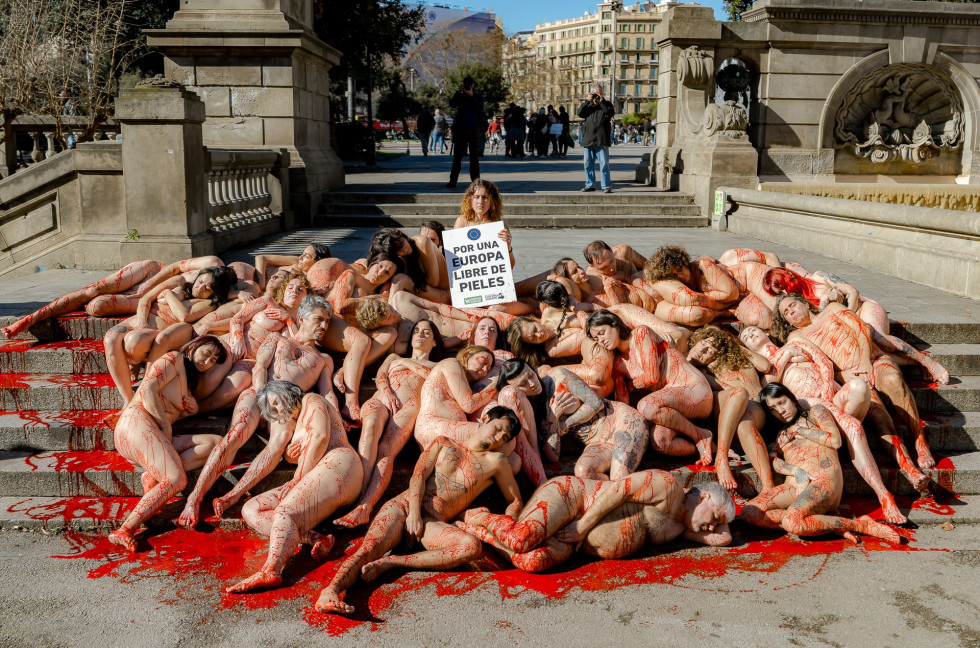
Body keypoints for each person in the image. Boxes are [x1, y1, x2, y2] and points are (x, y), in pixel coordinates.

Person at [314, 406, 524, 615]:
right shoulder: (443, 442)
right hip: (404, 506)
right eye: (498, 428)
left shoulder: (496, 462)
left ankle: (393, 562)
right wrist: (413, 513)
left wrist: (507, 525)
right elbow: (419, 474)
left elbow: (514, 500)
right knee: (369, 549)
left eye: (504, 437)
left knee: (471, 546)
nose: (498, 438)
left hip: (432, 521)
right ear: (485, 419)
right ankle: (330, 591)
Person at [175, 295, 336, 528]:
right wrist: (263, 399)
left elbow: (326, 390)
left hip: (288, 404)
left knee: (280, 440)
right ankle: (195, 497)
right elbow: (260, 366)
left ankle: (235, 494)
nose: (324, 326)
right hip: (258, 392)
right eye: (319, 319)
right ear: (301, 317)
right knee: (237, 432)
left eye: (328, 322)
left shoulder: (324, 359)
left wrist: (339, 415)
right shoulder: (277, 338)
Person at [225, 382, 361, 593]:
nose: (280, 410)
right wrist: (290, 454)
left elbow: (320, 437)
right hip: (315, 474)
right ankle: (313, 536)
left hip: (339, 464)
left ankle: (272, 570)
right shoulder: (297, 422)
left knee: (284, 512)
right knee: (251, 509)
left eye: (278, 402)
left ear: (289, 391)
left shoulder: (312, 399)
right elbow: (297, 453)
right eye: (275, 409)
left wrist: (297, 478)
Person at [458, 472, 735, 573]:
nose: (712, 527)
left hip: (576, 542)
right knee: (520, 539)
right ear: (704, 496)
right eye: (715, 518)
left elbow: (725, 538)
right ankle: (479, 516)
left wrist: (719, 520)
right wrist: (582, 525)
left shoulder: (683, 527)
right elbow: (620, 489)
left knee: (532, 562)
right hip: (573, 499)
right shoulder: (669, 486)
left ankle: (475, 530)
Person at [741, 383, 901, 545]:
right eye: (773, 409)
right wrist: (796, 471)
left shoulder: (815, 412)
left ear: (791, 398)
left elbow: (835, 440)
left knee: (792, 522)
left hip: (823, 482)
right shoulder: (780, 433)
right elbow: (774, 461)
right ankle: (822, 522)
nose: (780, 411)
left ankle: (859, 524)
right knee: (749, 512)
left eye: (782, 402)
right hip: (795, 485)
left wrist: (799, 431)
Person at [108, 337, 227, 551]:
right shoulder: (174, 358)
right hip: (138, 422)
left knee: (214, 443)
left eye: (213, 360)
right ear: (193, 346)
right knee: (176, 479)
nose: (208, 360)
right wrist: (165, 424)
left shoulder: (189, 384)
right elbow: (147, 390)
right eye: (206, 352)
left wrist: (192, 408)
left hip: (153, 433)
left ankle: (153, 476)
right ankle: (125, 529)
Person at [335, 320, 442, 528]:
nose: (419, 334)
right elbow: (380, 375)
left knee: (386, 449)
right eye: (416, 331)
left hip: (410, 405)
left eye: (426, 332)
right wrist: (386, 391)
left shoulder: (438, 366)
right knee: (371, 426)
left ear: (435, 342)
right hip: (382, 398)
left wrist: (410, 364)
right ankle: (358, 492)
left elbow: (435, 380)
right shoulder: (394, 357)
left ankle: (365, 506)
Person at [447, 76, 484, 189]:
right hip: (461, 129)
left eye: (469, 84)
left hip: (473, 129)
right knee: (457, 156)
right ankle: (453, 181)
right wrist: (458, 93)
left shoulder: (477, 96)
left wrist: (471, 96)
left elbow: (480, 108)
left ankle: (476, 181)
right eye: (465, 84)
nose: (467, 86)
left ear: (472, 85)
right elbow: (452, 104)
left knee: (474, 157)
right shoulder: (460, 96)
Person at [578, 85, 615, 193]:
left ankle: (606, 186)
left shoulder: (607, 104)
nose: (597, 96)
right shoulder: (588, 105)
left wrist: (602, 102)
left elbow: (610, 113)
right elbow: (579, 113)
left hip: (601, 139)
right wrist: (587, 101)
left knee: (604, 164)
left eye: (599, 94)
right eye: (595, 94)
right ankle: (590, 185)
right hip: (588, 139)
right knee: (587, 164)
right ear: (591, 94)